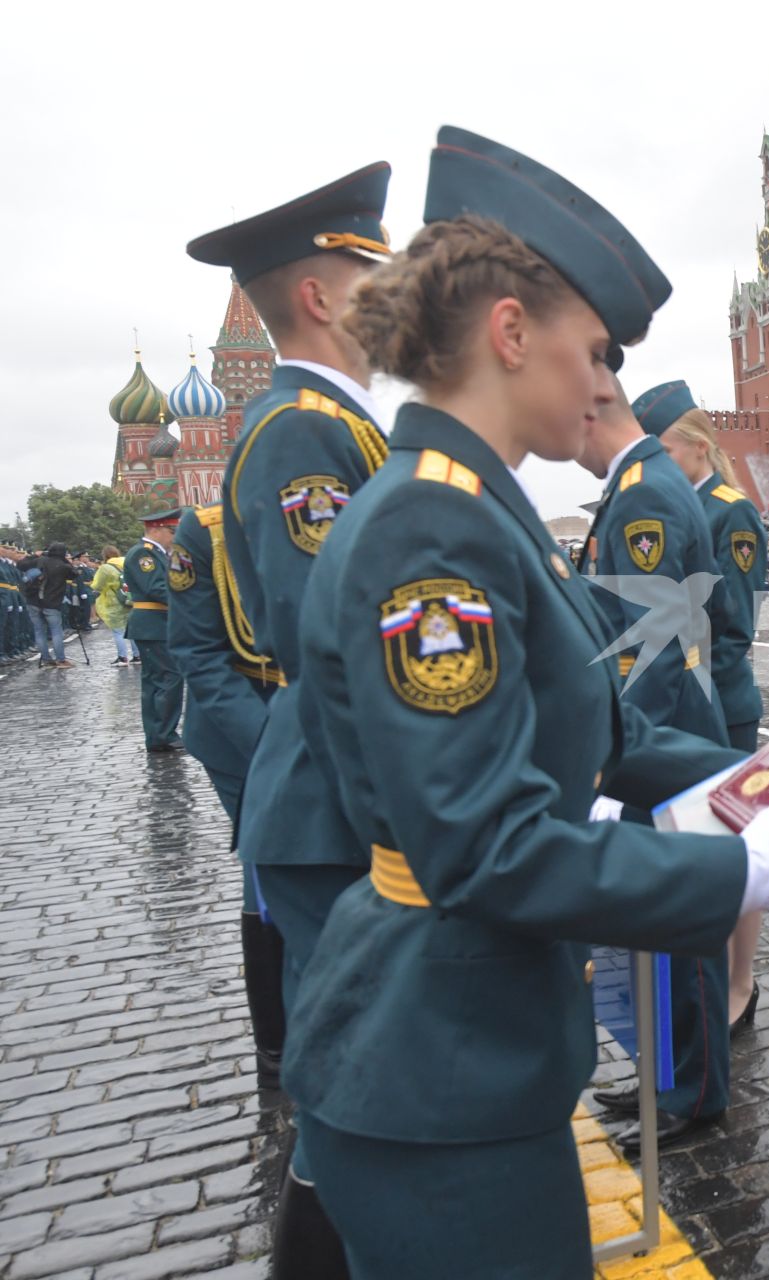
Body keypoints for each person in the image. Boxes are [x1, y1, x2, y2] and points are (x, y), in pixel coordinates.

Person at [277, 125, 769, 1280]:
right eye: (593, 351)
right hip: (438, 1065)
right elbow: (484, 847)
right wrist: (732, 873)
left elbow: (600, 727)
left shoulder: (477, 507)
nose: (602, 386)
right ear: (508, 332)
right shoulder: (433, 523)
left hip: (466, 1048)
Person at [188, 160, 395, 1272]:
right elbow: (348, 642)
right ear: (322, 294)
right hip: (340, 813)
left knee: (353, 1087)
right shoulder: (303, 433)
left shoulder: (338, 425)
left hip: (344, 805)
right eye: (377, 267)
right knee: (354, 1087)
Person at [572, 380, 735, 1150]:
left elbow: (650, 649)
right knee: (657, 929)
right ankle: (666, 1074)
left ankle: (691, 1092)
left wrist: (625, 766)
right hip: (657, 735)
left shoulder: (642, 494)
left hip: (658, 738)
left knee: (675, 929)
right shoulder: (640, 485)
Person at [645, 380, 769, 1033]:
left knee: (729, 850)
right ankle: (695, 994)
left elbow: (735, 629)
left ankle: (739, 985)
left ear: (697, 447)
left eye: (663, 451)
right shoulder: (667, 506)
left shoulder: (729, 512)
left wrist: (694, 702)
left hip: (721, 708)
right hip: (676, 709)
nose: (655, 466)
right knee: (687, 853)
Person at [167, 504, 284, 1082]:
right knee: (270, 862)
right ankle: (278, 1041)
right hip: (247, 720)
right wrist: (275, 746)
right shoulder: (208, 529)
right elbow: (198, 652)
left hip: (338, 715)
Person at [124, 511, 184, 749]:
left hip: (157, 623)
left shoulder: (158, 553)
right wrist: (189, 600)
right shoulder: (144, 554)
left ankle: (159, 734)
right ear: (156, 529)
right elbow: (156, 588)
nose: (173, 537)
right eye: (171, 532)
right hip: (153, 623)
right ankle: (163, 735)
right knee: (169, 677)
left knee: (156, 680)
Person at [20, 541, 75, 667]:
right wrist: (66, 560)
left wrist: (34, 555)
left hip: (33, 600)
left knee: (39, 631)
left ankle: (46, 659)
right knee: (56, 631)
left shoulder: (38, 560)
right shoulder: (63, 565)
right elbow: (74, 574)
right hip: (52, 602)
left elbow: (21, 565)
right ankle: (61, 659)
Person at [91, 546, 135, 664]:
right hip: (131, 599)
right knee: (131, 630)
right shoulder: (128, 562)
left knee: (118, 631)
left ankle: (122, 657)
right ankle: (137, 656)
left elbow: (97, 586)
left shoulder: (106, 568)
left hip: (114, 602)